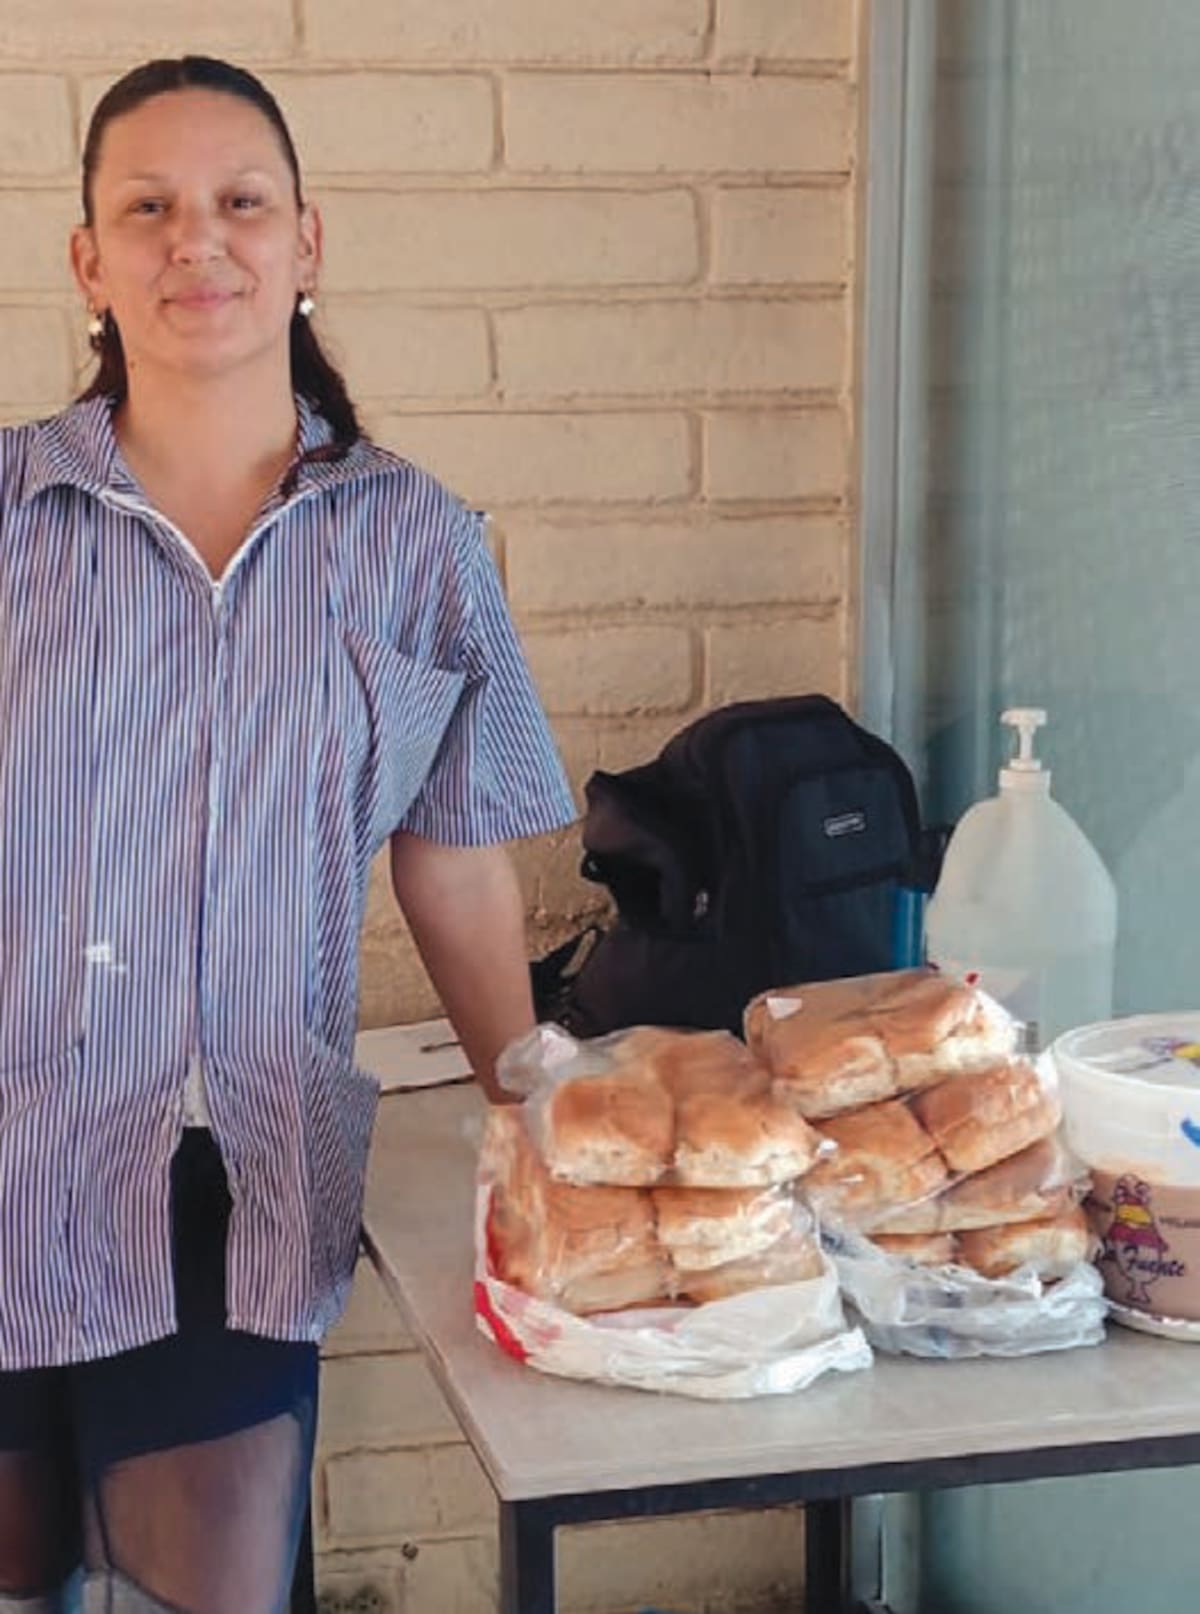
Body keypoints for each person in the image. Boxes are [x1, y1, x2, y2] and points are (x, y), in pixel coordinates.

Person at [0, 55, 576, 1614]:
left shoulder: (415, 539)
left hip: (243, 1172)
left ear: (306, 241)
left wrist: (528, 1104)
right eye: (149, 208)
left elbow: (451, 849)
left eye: (241, 201)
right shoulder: (10, 514)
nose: (198, 239)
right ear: (89, 261)